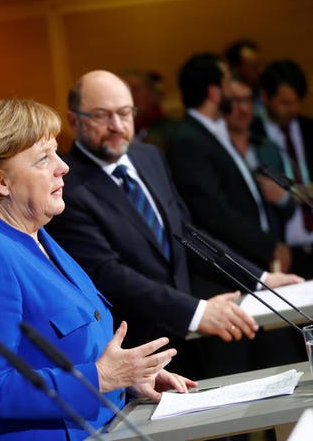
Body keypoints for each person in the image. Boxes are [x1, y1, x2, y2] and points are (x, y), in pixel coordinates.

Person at [0, 98, 196, 441]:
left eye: (57, 153)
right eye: (44, 158)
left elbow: (68, 348)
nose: (63, 167)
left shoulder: (38, 234)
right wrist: (100, 378)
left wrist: (126, 379)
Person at [46, 70, 301, 380]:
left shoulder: (148, 156)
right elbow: (109, 275)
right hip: (141, 353)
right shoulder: (67, 190)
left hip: (194, 340)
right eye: (102, 115)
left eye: (124, 113)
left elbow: (186, 234)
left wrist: (257, 278)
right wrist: (195, 312)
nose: (117, 126)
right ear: (74, 121)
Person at [166, 53, 292, 273]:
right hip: (233, 262)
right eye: (225, 83)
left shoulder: (213, 132)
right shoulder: (189, 139)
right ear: (215, 93)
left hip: (252, 255)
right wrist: (267, 246)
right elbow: (215, 211)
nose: (230, 91)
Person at [252, 59, 313, 279]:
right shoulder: (251, 135)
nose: (292, 110)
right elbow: (263, 188)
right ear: (265, 98)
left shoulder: (308, 128)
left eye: (297, 102)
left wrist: (292, 193)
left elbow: (281, 191)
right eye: (285, 103)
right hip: (283, 251)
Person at [225, 77, 294, 244]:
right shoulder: (213, 151)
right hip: (234, 249)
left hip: (274, 249)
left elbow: (289, 208)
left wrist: (282, 198)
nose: (243, 109)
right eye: (235, 101)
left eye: (247, 100)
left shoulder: (268, 148)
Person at [122, 69, 178, 151]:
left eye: (135, 89)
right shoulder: (115, 130)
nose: (130, 95)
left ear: (153, 94)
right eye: (125, 91)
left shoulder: (173, 130)